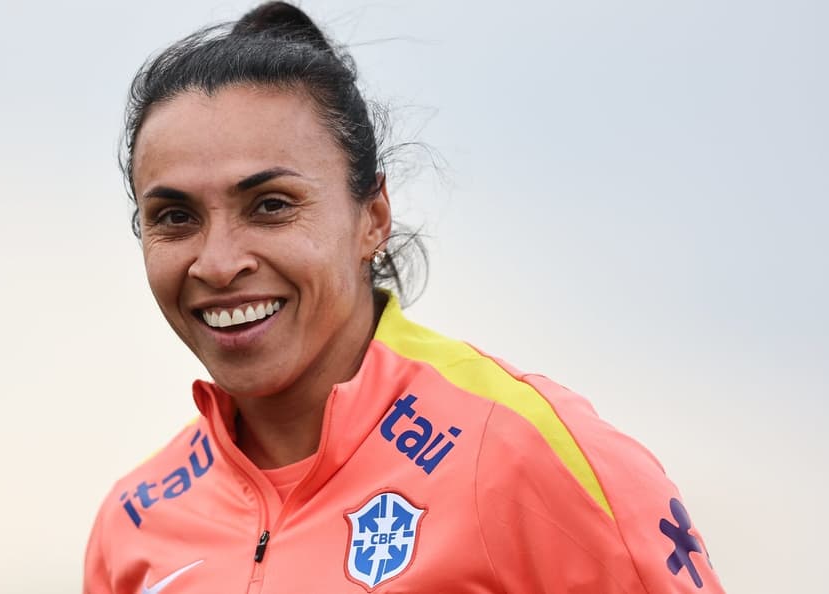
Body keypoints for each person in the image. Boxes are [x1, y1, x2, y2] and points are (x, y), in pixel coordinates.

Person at [84, 3, 725, 592]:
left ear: (373, 218)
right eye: (175, 217)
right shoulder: (133, 520)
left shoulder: (523, 452)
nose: (220, 264)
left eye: (271, 205)